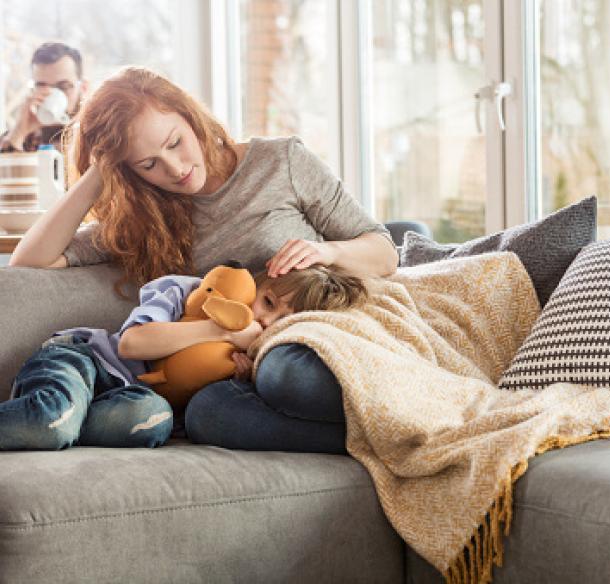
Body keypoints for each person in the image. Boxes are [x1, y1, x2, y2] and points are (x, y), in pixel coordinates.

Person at [8, 65, 397, 453]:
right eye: (148, 164)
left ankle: (383, 433)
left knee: (286, 375)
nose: (174, 169)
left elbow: (384, 253)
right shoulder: (146, 220)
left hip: (305, 342)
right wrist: (99, 171)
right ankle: (375, 442)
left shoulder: (282, 163)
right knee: (206, 415)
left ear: (191, 117)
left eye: (175, 142)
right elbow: (30, 261)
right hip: (232, 375)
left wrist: (327, 251)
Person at [0, 263, 367, 451]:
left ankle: (65, 422)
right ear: (258, 282)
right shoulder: (192, 292)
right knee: (50, 418)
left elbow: (200, 399)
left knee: (152, 421)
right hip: (85, 362)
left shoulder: (259, 359)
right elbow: (132, 345)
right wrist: (219, 330)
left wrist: (241, 377)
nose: (263, 320)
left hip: (133, 400)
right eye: (268, 302)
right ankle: (48, 415)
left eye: (281, 322)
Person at [0, 42, 88, 153]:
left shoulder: (98, 136)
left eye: (63, 86)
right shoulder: (21, 137)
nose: (50, 95)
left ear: (83, 87)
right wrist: (18, 134)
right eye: (41, 86)